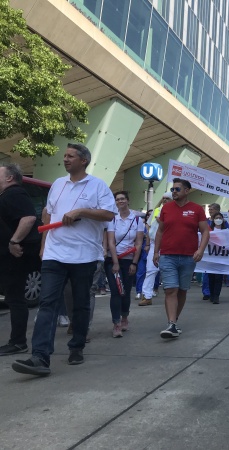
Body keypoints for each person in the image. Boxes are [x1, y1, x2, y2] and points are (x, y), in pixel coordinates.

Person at [12, 143, 117, 376]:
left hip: (84, 256)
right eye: (65, 155)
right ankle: (40, 356)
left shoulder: (98, 186)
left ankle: (77, 346)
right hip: (54, 254)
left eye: (71, 156)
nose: (66, 159)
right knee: (47, 303)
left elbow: (109, 214)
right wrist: (43, 246)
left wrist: (81, 211)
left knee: (79, 304)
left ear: (84, 161)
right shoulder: (58, 184)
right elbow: (48, 215)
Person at [153, 179, 210, 338]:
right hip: (167, 255)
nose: (174, 192)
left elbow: (205, 231)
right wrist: (156, 252)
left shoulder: (197, 209)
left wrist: (200, 250)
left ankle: (174, 321)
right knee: (171, 289)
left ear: (187, 191)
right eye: (172, 189)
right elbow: (160, 231)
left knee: (182, 291)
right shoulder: (166, 208)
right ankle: (171, 324)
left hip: (188, 257)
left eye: (177, 189)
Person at [0, 164, 42, 356]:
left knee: (15, 298)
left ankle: (18, 342)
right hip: (10, 255)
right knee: (14, 297)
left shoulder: (14, 193)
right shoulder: (7, 196)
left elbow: (28, 218)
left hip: (15, 255)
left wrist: (14, 241)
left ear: (9, 178)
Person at [105, 191, 144, 337]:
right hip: (113, 260)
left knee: (125, 291)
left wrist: (134, 263)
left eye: (122, 199)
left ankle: (124, 317)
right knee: (115, 291)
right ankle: (116, 324)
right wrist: (115, 262)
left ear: (128, 200)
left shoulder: (137, 221)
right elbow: (111, 242)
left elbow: (138, 243)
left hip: (129, 260)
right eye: (117, 199)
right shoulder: (112, 220)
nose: (120, 201)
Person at [139, 193, 172, 306]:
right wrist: (147, 244)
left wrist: (162, 221)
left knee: (169, 271)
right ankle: (147, 296)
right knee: (150, 270)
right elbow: (149, 228)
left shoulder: (175, 211)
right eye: (163, 198)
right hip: (154, 244)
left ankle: (172, 296)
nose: (164, 200)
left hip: (168, 245)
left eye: (168, 198)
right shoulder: (157, 210)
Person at [204, 203, 229, 301]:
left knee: (218, 277)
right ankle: (209, 294)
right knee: (210, 277)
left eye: (212, 209)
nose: (210, 211)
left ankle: (216, 297)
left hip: (221, 256)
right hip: (210, 256)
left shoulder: (225, 228)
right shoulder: (208, 225)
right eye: (209, 209)